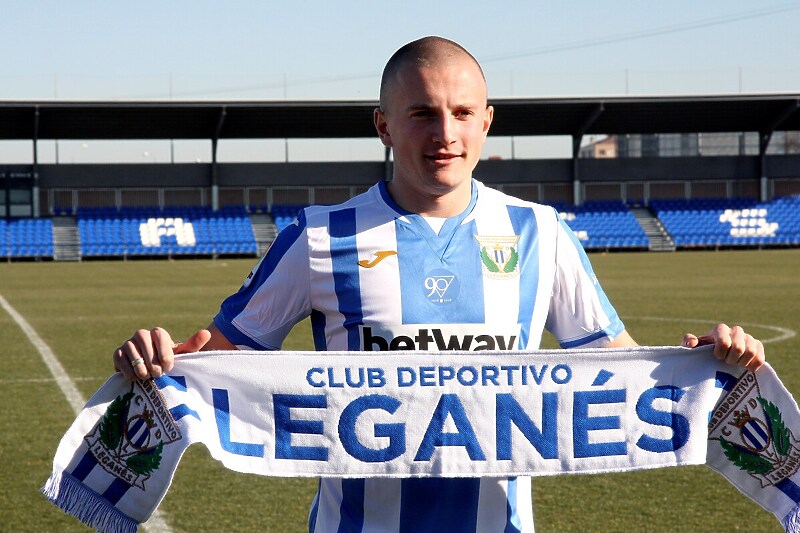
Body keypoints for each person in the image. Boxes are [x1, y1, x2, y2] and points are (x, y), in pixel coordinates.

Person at [113, 36, 765, 532]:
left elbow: (621, 375)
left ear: (487, 120)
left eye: (461, 112)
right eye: (422, 113)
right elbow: (215, 362)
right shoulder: (318, 237)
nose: (445, 133)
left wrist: (712, 365)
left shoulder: (543, 235)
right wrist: (154, 363)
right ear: (384, 124)